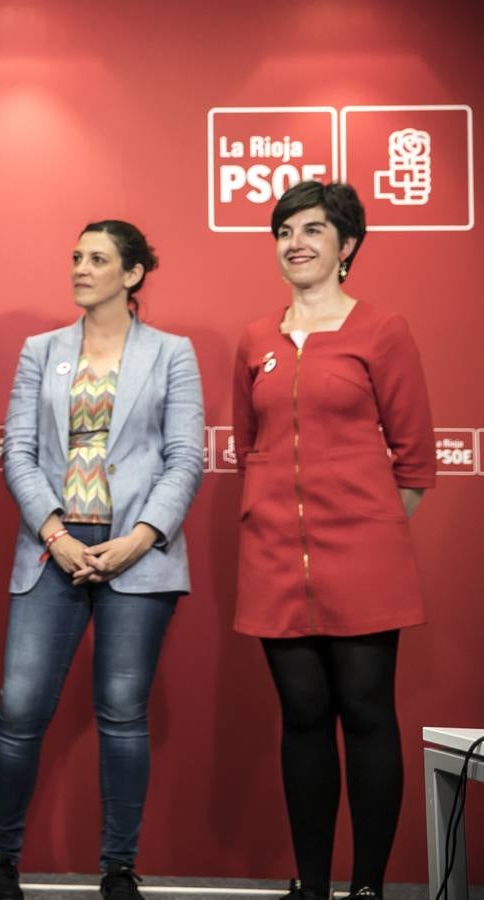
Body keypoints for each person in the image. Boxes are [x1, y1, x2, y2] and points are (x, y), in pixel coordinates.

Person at [0, 221, 203, 900]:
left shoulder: (172, 353)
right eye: (76, 256)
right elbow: (17, 452)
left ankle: (119, 868)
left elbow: (185, 457)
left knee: (121, 711)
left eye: (98, 259)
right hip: (53, 550)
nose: (80, 267)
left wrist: (139, 539)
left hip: (137, 553)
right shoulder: (39, 351)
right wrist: (57, 535)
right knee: (19, 708)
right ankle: (0, 863)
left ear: (133, 274)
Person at [232, 181, 434, 900]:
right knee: (304, 716)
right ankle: (313, 886)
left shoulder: (383, 330)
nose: (297, 243)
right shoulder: (257, 338)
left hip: (364, 556)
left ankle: (369, 887)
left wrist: (364, 524)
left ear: (346, 246)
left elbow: (414, 460)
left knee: (368, 714)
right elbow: (250, 445)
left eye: (314, 230)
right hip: (274, 556)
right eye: (285, 230)